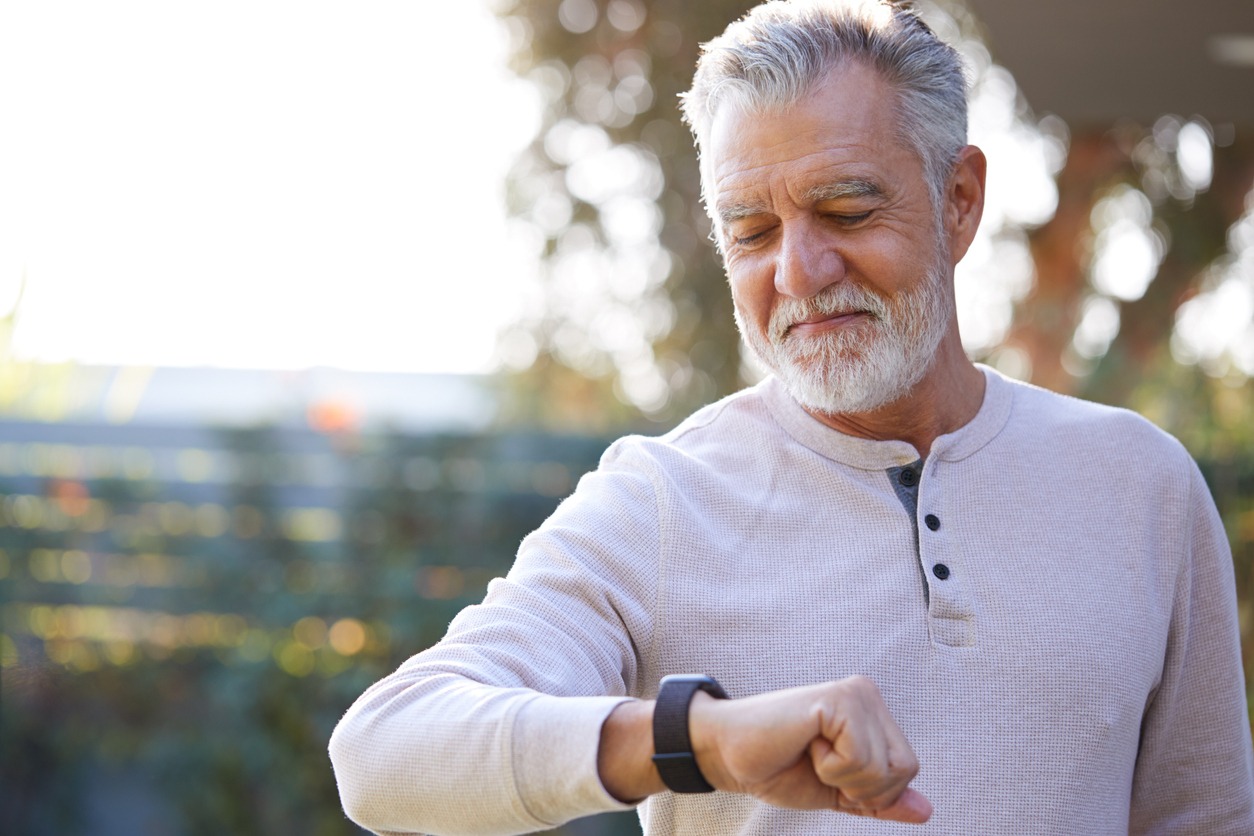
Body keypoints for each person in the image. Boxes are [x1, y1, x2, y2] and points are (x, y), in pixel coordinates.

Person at [329, 1, 1254, 833]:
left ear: (960, 200)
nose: (799, 274)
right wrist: (704, 740)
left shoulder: (1144, 486)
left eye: (845, 209)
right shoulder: (661, 501)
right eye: (753, 232)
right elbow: (385, 753)